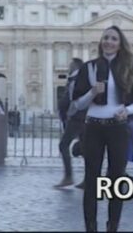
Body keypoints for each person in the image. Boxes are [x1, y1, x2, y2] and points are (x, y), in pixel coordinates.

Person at [72, 25, 133, 232]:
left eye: (114, 38)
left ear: (120, 44)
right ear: (100, 42)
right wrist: (91, 93)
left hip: (117, 128)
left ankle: (112, 226)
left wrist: (127, 110)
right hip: (93, 128)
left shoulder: (129, 70)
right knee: (92, 180)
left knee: (116, 180)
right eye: (105, 37)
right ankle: (91, 227)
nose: (109, 41)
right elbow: (78, 104)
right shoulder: (88, 68)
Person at [55, 58, 87, 189]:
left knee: (63, 145)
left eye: (70, 65)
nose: (68, 67)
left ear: (76, 66)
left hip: (77, 118)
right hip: (81, 118)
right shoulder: (75, 79)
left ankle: (68, 176)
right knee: (86, 149)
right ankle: (89, 179)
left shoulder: (76, 79)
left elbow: (74, 100)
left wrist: (69, 113)